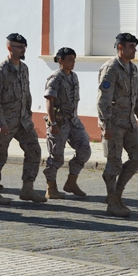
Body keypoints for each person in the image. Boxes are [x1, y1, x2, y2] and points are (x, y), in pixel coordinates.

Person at [0, 33, 46, 205]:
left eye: (24, 46)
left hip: (22, 120)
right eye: (19, 46)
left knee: (34, 150)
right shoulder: (0, 70)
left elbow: (27, 93)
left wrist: (29, 114)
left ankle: (27, 189)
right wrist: (0, 122)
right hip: (4, 121)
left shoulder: (24, 68)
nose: (23, 49)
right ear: (10, 48)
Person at [97, 33, 138, 217]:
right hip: (114, 124)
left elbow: (135, 95)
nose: (135, 50)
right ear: (120, 47)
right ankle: (112, 202)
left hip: (129, 122)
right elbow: (103, 100)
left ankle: (117, 193)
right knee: (114, 163)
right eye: (131, 46)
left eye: (135, 46)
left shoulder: (132, 68)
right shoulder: (110, 68)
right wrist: (105, 126)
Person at [43, 47, 91, 199]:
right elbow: (49, 101)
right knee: (56, 156)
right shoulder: (55, 77)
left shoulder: (74, 77)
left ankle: (71, 182)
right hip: (59, 121)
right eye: (70, 59)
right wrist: (53, 123)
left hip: (73, 121)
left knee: (84, 149)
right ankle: (51, 188)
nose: (73, 62)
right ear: (60, 60)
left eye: (74, 59)